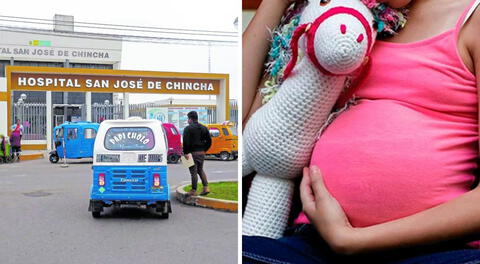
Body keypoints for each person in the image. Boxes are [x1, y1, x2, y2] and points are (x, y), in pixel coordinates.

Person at [242, 0, 480, 263]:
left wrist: (353, 241)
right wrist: (274, 4)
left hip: (435, 249)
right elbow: (246, 125)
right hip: (315, 243)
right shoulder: (341, 19)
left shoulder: (472, 19)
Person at [183, 111, 212, 196]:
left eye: (188, 119)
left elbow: (186, 142)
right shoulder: (204, 128)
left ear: (190, 119)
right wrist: (204, 150)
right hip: (201, 152)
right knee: (200, 170)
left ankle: (193, 190)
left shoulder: (188, 129)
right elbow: (209, 141)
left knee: (193, 172)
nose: (188, 120)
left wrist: (185, 153)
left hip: (191, 153)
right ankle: (206, 187)